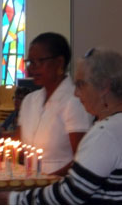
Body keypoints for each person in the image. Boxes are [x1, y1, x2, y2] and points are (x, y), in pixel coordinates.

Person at [0, 48, 122, 204]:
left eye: (80, 84)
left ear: (104, 86)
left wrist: (12, 199)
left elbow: (70, 196)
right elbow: (88, 182)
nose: (76, 93)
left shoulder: (107, 132)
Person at [18, 32, 93, 176]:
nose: (32, 68)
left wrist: (47, 183)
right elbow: (18, 149)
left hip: (60, 187)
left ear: (59, 62)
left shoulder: (75, 100)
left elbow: (81, 159)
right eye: (30, 62)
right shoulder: (29, 101)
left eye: (39, 61)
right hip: (29, 183)